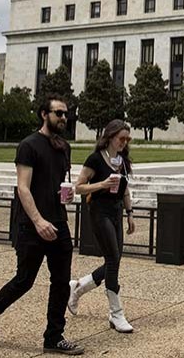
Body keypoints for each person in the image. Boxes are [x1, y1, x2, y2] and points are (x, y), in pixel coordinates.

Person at [0, 94, 84, 355]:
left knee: (61, 282)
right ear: (44, 114)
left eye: (66, 114)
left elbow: (59, 184)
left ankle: (53, 337)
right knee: (24, 280)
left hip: (58, 223)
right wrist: (38, 221)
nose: (63, 118)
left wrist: (67, 195)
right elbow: (23, 188)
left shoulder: (63, 147)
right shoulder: (28, 146)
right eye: (58, 113)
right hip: (32, 225)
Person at [66, 119, 136, 333]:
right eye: (121, 138)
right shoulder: (95, 159)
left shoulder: (122, 161)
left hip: (116, 212)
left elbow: (124, 189)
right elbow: (78, 188)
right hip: (99, 212)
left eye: (127, 139)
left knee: (114, 261)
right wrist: (102, 185)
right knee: (113, 260)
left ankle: (78, 288)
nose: (124, 142)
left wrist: (130, 213)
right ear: (110, 137)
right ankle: (116, 314)